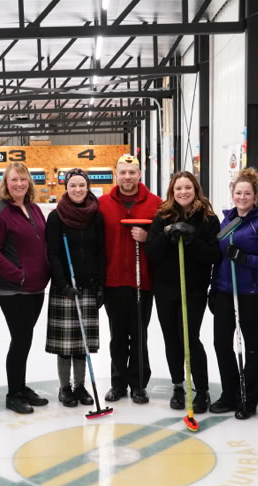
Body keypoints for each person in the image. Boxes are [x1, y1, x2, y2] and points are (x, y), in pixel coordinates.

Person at [146, 171, 220, 412]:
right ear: (172, 191)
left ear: (195, 189)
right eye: (178, 188)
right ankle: (178, 386)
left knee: (190, 337)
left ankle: (202, 389)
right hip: (166, 289)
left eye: (187, 187)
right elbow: (152, 253)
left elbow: (213, 255)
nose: (183, 192)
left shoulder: (208, 218)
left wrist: (192, 240)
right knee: (171, 338)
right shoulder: (162, 216)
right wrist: (167, 235)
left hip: (194, 288)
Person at [209, 168, 258, 417]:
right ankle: (229, 394)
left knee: (250, 345)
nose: (242, 197)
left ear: (255, 195)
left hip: (252, 292)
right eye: (238, 192)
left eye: (247, 193)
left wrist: (245, 258)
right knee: (221, 343)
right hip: (226, 290)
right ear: (232, 193)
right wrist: (214, 286)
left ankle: (249, 398)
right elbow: (219, 258)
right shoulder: (227, 220)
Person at [0, 162, 50, 414]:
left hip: (36, 286)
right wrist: (18, 276)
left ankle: (21, 387)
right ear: (6, 183)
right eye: (14, 180)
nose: (19, 183)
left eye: (23, 179)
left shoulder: (34, 208)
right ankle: (14, 393)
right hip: (13, 289)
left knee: (25, 339)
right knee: (21, 338)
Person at [99, 154, 163, 403]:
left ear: (139, 174)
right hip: (114, 281)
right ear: (117, 174)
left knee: (139, 334)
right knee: (117, 336)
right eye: (123, 172)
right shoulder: (103, 203)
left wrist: (148, 239)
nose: (127, 177)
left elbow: (163, 242)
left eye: (131, 172)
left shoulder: (155, 204)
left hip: (143, 281)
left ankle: (138, 384)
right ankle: (117, 383)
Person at [45, 169, 105, 407]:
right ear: (66, 188)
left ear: (88, 186)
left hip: (89, 286)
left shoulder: (96, 216)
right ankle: (64, 388)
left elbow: (100, 251)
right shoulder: (57, 217)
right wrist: (63, 285)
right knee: (66, 344)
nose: (78, 189)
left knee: (82, 344)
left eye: (82, 185)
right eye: (73, 186)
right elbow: (52, 254)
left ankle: (80, 387)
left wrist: (99, 284)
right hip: (65, 287)